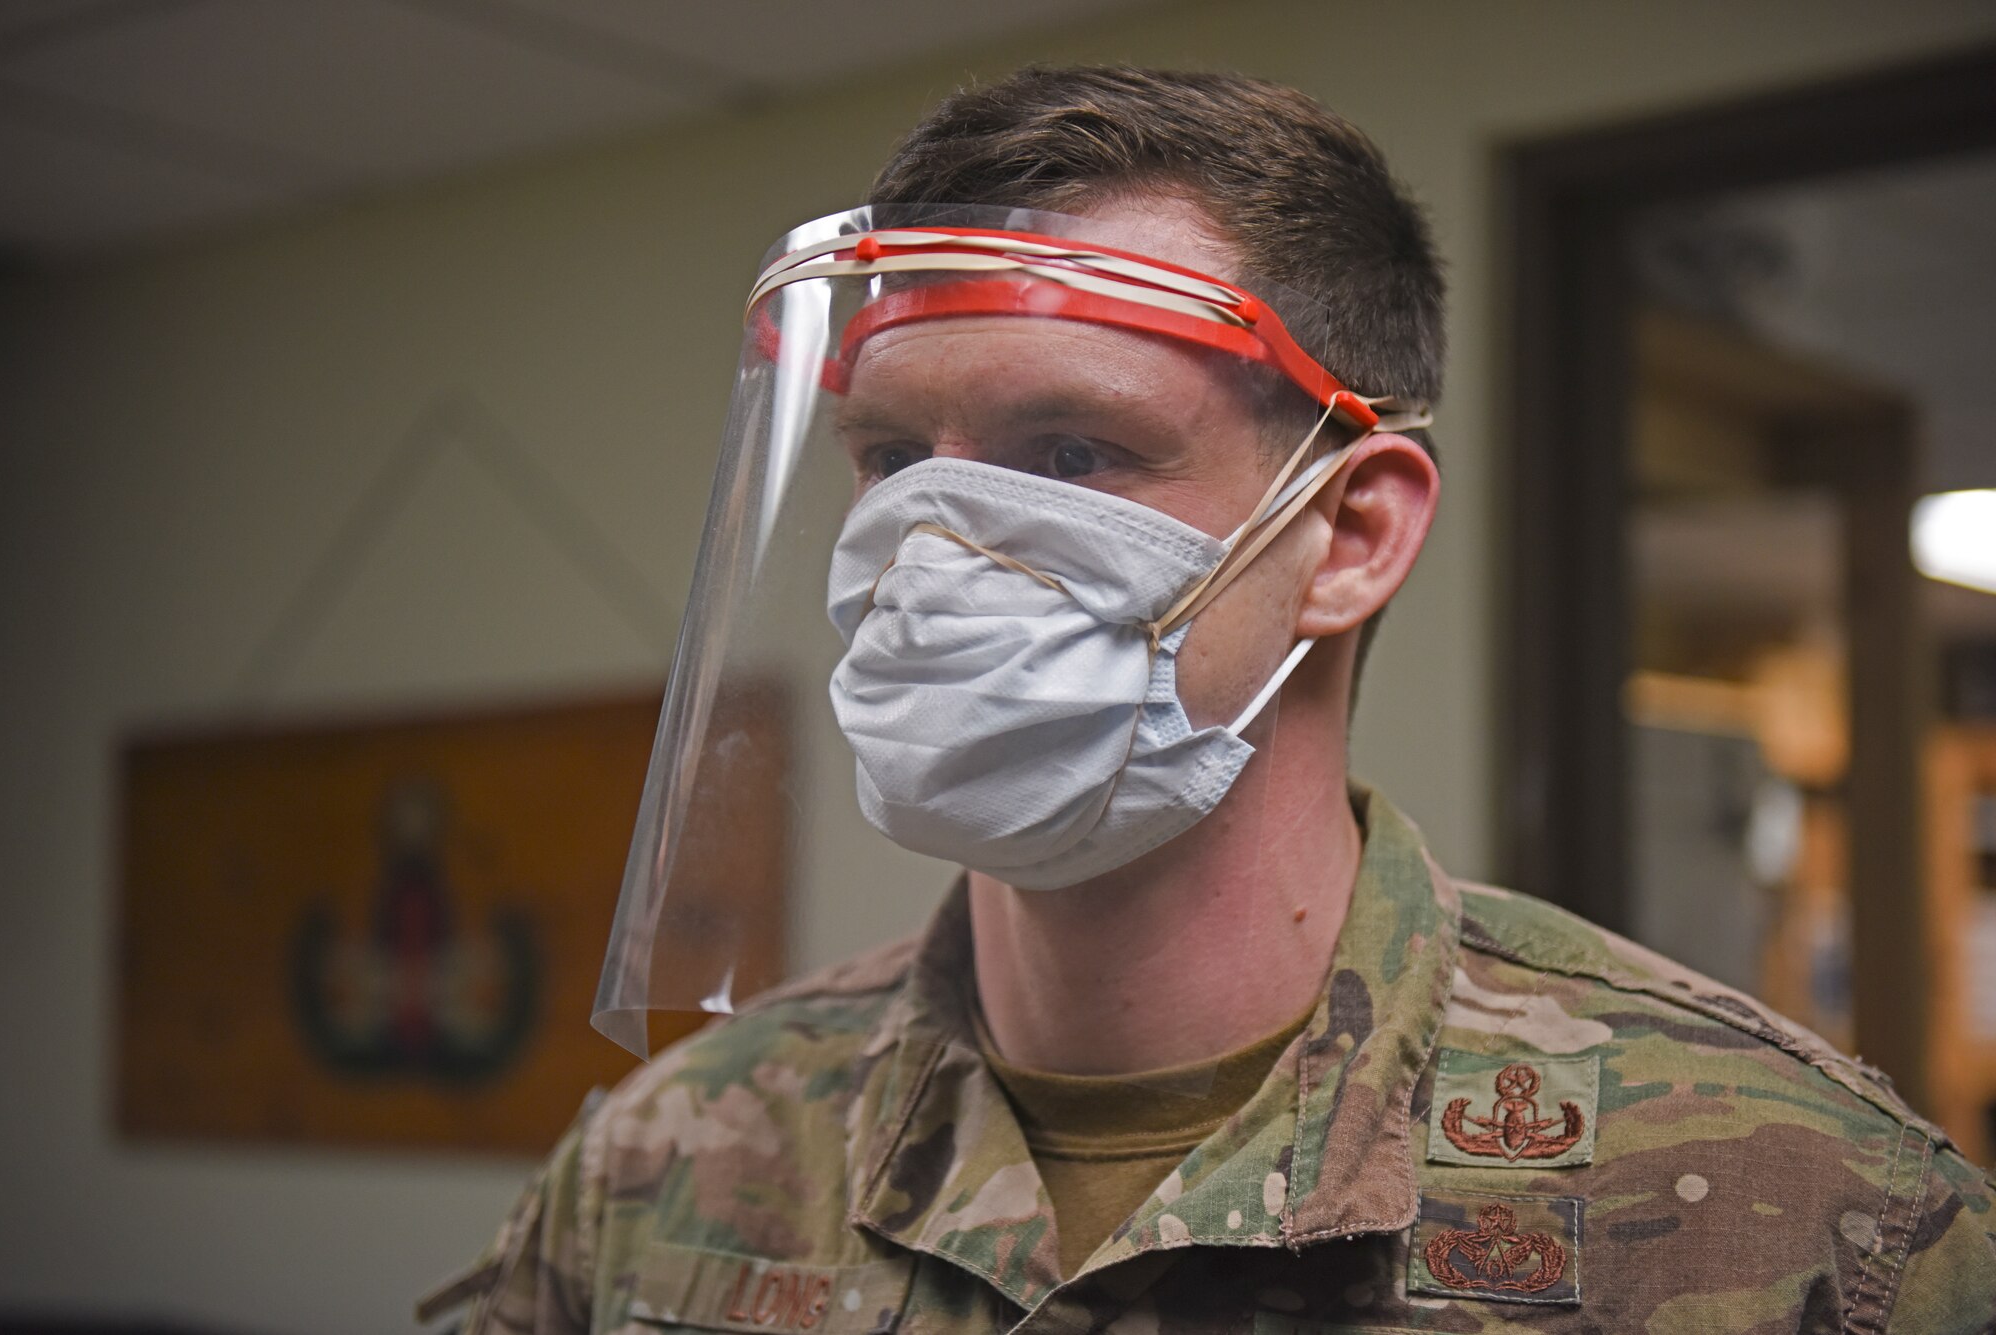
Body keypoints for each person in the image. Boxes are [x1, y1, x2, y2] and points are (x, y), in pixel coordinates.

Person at [423, 66, 1996, 1333]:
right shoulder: (665, 1165)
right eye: (892, 459)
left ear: (1351, 534)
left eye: (1072, 453)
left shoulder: (1806, 1219)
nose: (929, 546)